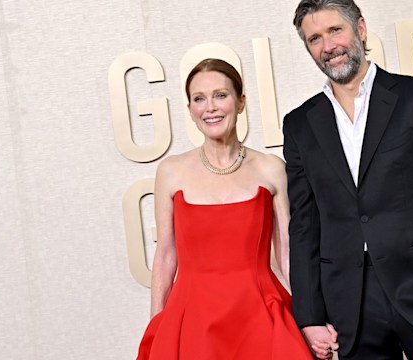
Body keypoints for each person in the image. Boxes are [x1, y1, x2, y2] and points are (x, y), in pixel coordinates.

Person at [283, 1, 413, 359]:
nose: (327, 46)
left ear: (360, 29)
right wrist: (310, 315)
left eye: (335, 30)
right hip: (349, 305)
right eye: (315, 38)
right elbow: (304, 225)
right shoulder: (300, 124)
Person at [136, 58, 324, 359]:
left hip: (260, 315)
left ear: (240, 102)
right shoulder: (171, 171)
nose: (210, 107)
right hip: (193, 320)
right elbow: (166, 254)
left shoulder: (271, 169)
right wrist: (157, 324)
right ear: (190, 110)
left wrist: (312, 318)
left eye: (220, 95)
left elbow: (288, 253)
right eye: (199, 99)